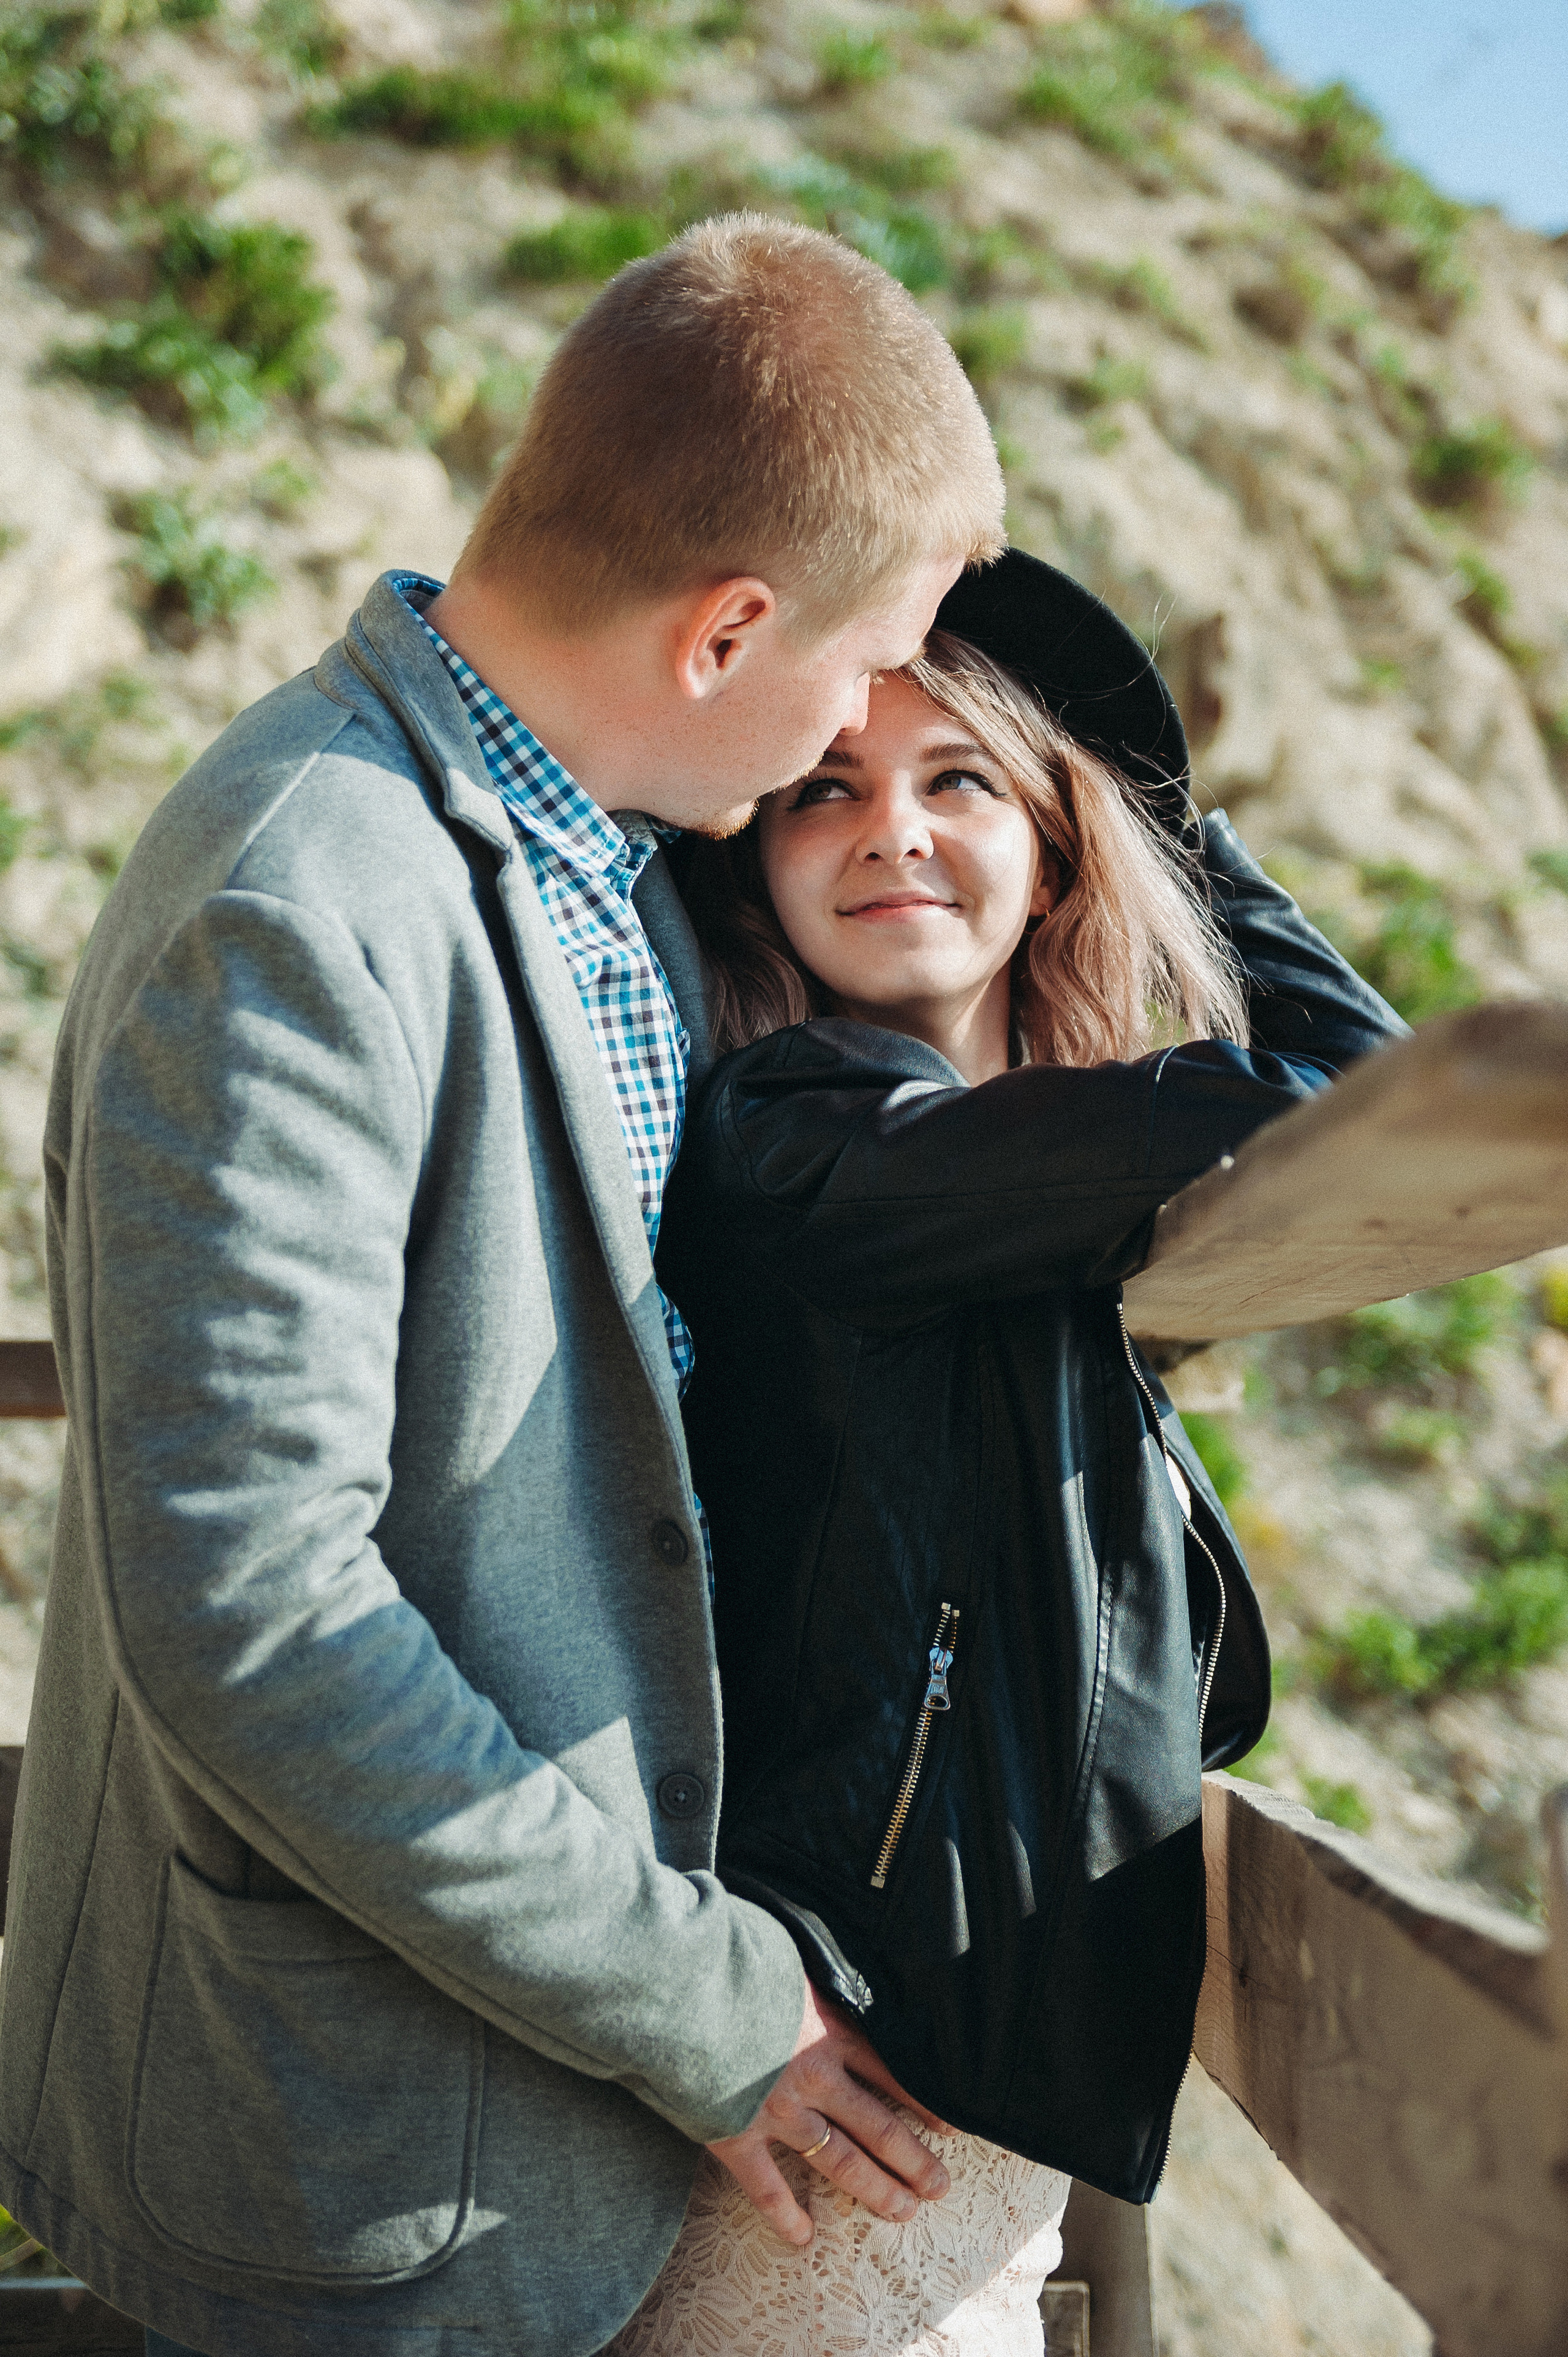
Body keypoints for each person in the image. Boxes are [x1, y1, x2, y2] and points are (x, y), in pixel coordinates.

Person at [0, 218, 1008, 2357]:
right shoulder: (296, 907)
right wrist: (706, 2009)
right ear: (729, 626)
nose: (874, 721)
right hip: (364, 2150)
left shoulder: (599, 848)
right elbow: (252, 1609)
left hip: (526, 2072)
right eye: (868, 659)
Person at [620, 550, 1407, 2352]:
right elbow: (1359, 1083)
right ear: (753, 859)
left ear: (1060, 846)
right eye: (827, 787)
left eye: (959, 779)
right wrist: (1163, 815)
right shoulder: (804, 1134)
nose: (893, 828)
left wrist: (1149, 805)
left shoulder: (1021, 1182)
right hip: (859, 2074)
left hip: (947, 2083)